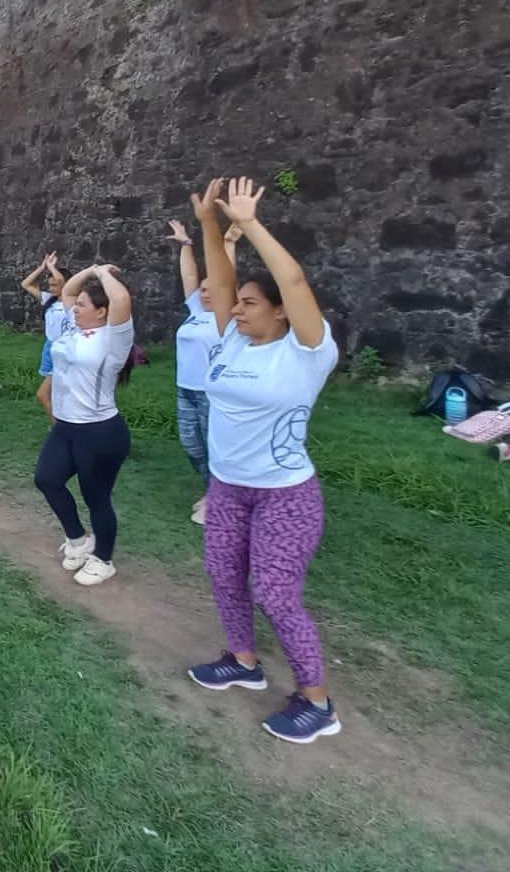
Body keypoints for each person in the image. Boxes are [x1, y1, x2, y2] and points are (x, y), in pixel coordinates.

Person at [185, 177, 342, 744]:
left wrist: (249, 224)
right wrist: (209, 223)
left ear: (280, 313)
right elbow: (220, 281)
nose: (235, 308)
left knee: (275, 592)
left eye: (252, 303)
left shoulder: (306, 352)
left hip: (286, 495)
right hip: (229, 488)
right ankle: (243, 662)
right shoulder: (233, 341)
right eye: (239, 303)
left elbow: (294, 279)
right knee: (224, 574)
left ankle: (317, 701)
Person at [33, 262, 136, 587]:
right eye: (75, 306)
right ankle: (78, 539)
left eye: (82, 305)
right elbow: (67, 290)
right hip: (66, 427)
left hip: (99, 432)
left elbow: (122, 301)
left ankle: (103, 559)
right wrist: (92, 268)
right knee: (47, 479)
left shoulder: (113, 340)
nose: (74, 307)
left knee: (97, 499)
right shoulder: (73, 328)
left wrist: (104, 278)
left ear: (102, 312)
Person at [165, 219, 241, 524]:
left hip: (214, 394)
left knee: (216, 449)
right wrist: (185, 243)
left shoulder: (230, 318)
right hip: (186, 389)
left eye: (213, 289)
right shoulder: (196, 311)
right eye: (203, 289)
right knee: (192, 445)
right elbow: (188, 275)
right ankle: (214, 491)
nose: (205, 293)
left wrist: (230, 243)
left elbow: (224, 274)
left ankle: (219, 499)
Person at [21, 252, 69, 387]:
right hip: (49, 345)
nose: (51, 288)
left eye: (54, 285)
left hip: (65, 347)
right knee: (49, 384)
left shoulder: (71, 302)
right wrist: (42, 268)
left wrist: (52, 267)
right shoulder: (49, 299)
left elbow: (63, 283)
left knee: (61, 384)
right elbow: (26, 284)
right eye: (50, 285)